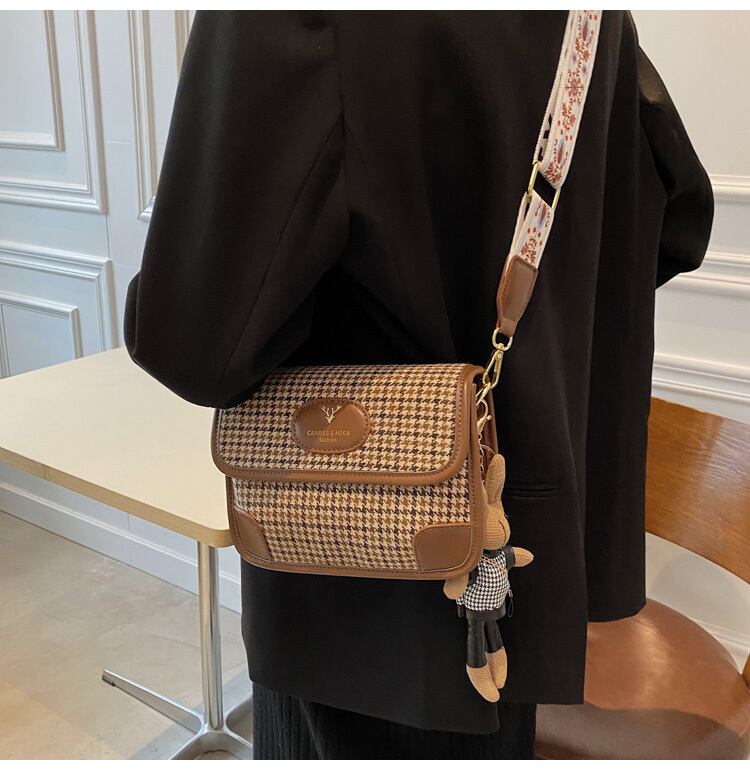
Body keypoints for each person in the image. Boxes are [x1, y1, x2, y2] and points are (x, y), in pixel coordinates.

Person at [124, 11, 713, 760]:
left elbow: (196, 344)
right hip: (523, 539)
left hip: (348, 580)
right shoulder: (595, 17)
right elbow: (676, 221)